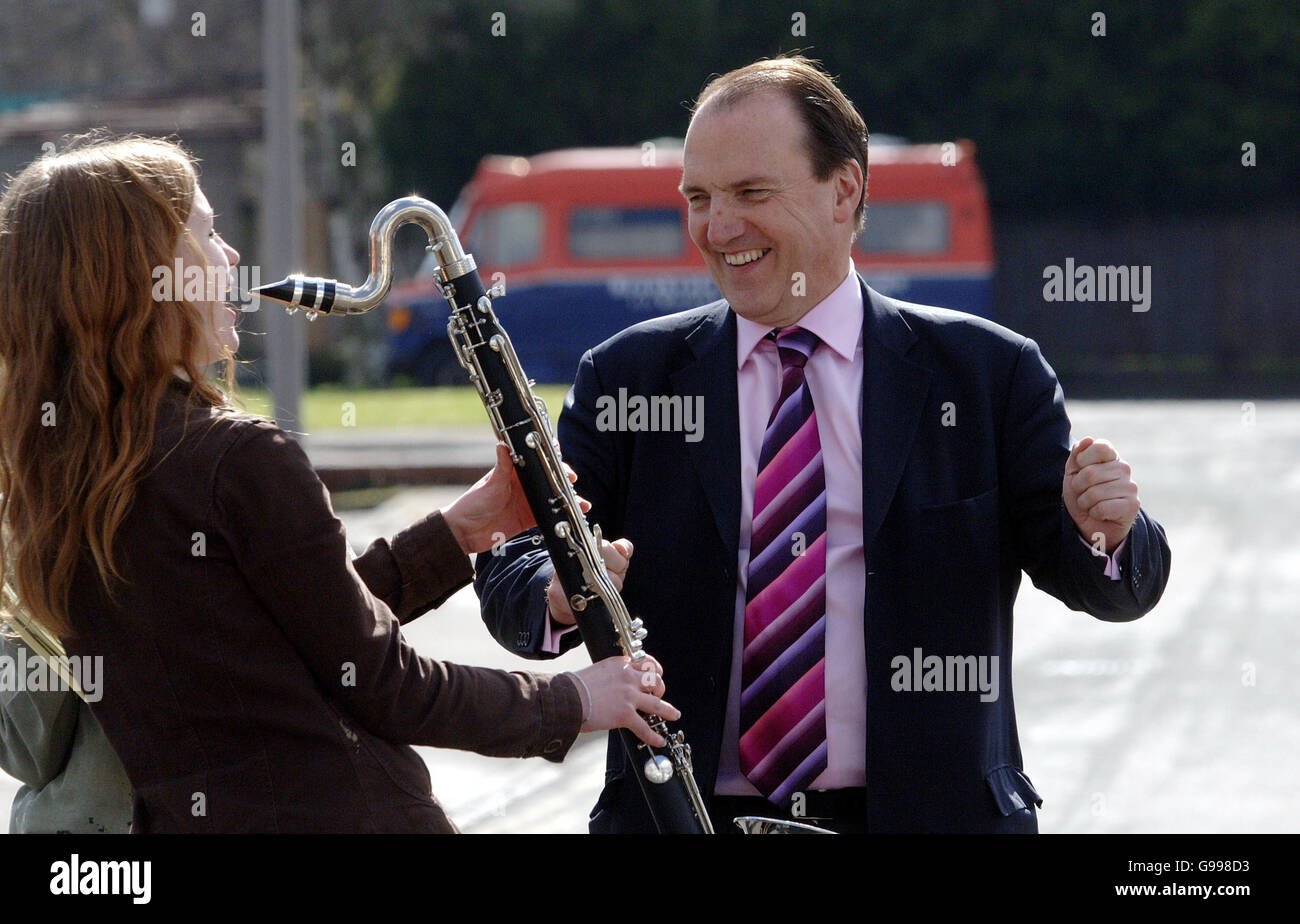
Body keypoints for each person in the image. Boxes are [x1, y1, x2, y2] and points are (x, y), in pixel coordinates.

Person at [476, 56, 1172, 834]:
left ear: (844, 191)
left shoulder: (988, 375)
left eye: (751, 193)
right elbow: (515, 559)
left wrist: (1106, 530)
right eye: (698, 199)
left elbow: (1114, 587)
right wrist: (557, 589)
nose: (717, 227)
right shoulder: (625, 379)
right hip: (683, 818)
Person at [0, 133, 678, 833]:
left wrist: (456, 534)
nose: (232, 258)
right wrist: (573, 700)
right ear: (139, 275)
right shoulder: (237, 460)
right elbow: (384, 684)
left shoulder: (54, 480)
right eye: (205, 232)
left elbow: (275, 634)